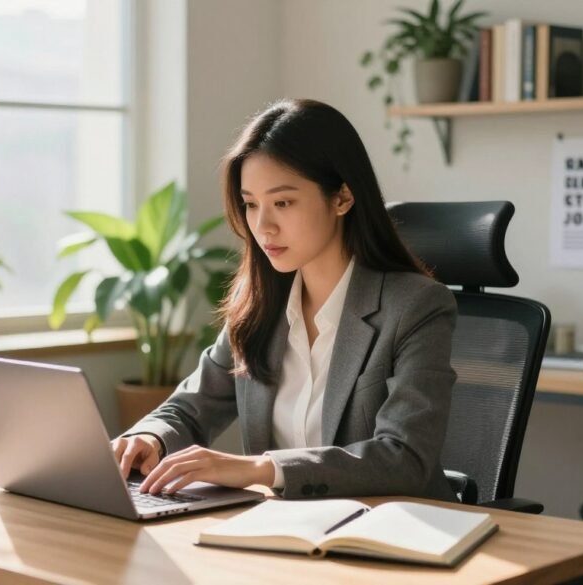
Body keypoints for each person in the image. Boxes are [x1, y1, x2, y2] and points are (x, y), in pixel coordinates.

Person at [111, 98, 458, 501]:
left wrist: (260, 468)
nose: (262, 226)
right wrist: (148, 437)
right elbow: (189, 408)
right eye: (251, 204)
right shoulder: (259, 304)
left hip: (387, 535)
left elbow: (404, 458)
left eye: (283, 203)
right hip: (282, 533)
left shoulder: (416, 307)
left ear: (342, 197)